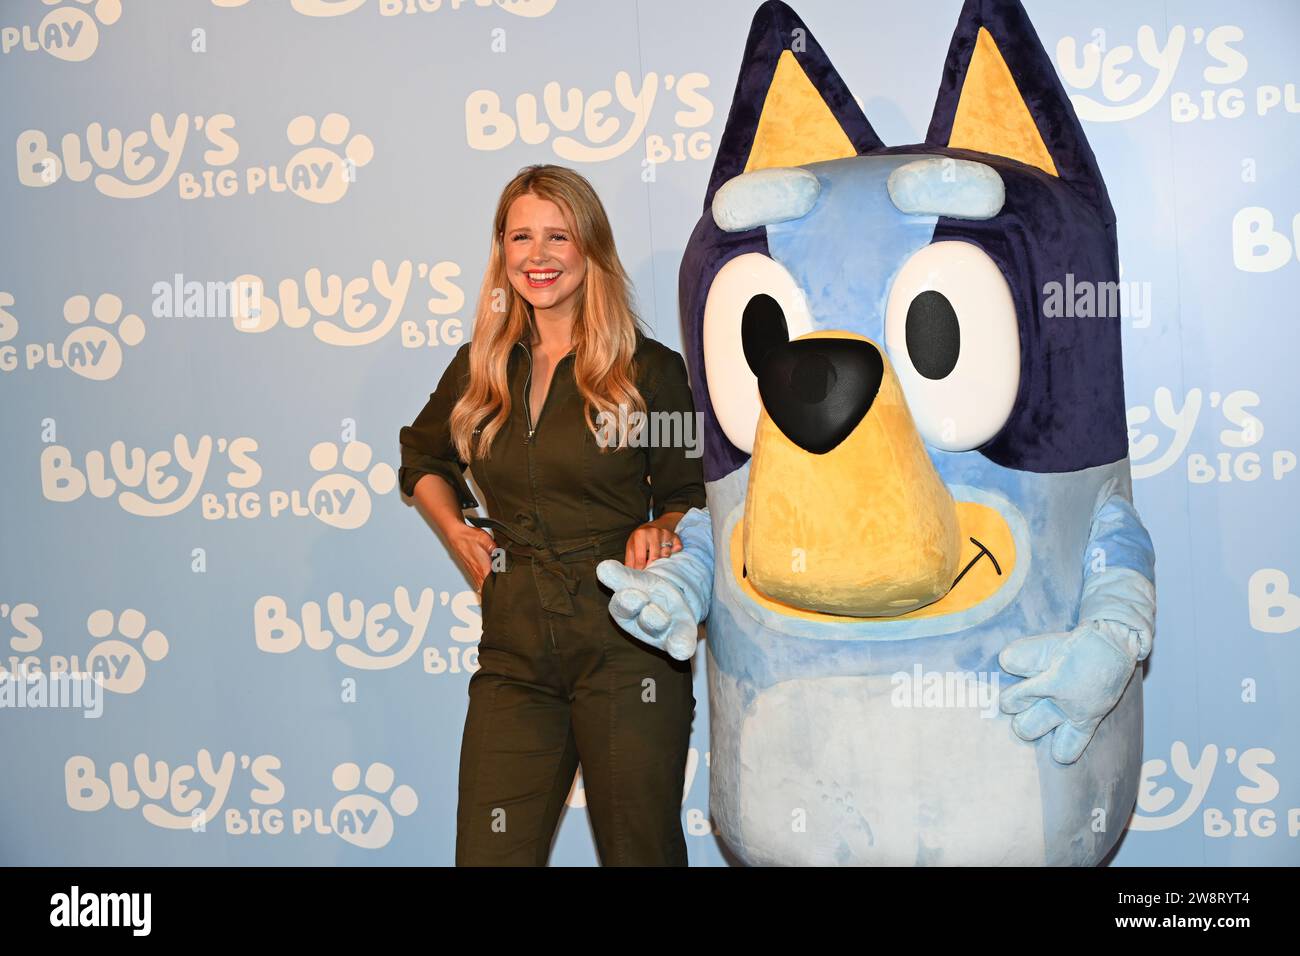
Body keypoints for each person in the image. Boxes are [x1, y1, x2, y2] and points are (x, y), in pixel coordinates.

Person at [397, 164, 707, 866]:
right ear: (501, 252)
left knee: (641, 854)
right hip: (516, 654)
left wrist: (664, 525)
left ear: (590, 247)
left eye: (557, 236)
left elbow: (691, 487)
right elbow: (422, 458)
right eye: (520, 237)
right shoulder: (483, 368)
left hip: (628, 647)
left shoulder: (645, 371)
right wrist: (456, 531)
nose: (537, 257)